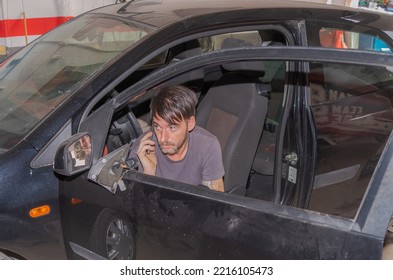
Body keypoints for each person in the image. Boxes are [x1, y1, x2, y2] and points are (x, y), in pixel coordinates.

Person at [129, 85, 225, 192]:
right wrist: (149, 172)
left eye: (172, 127)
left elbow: (215, 204)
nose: (163, 137)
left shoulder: (207, 145)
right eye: (157, 127)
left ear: (190, 124)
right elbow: (136, 203)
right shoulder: (144, 148)